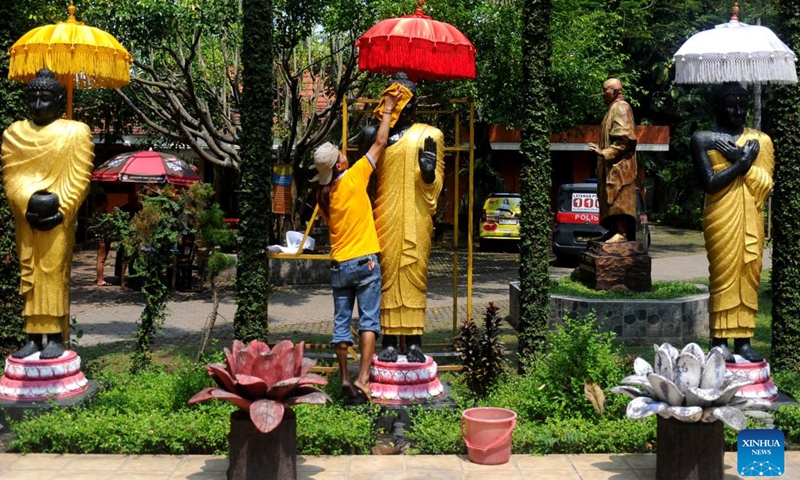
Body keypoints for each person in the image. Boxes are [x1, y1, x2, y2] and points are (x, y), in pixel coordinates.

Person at [313, 86, 401, 400]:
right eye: (341, 154)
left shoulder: (324, 196)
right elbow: (380, 142)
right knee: (368, 321)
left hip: (339, 266)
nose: (345, 154)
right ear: (338, 165)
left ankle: (345, 380)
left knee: (340, 324)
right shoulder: (353, 177)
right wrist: (388, 109)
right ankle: (364, 379)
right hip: (364, 261)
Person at [0, 68, 94, 359]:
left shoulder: (76, 132)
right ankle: (31, 334)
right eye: (32, 98)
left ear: (58, 100)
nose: (38, 106)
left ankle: (53, 336)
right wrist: (28, 201)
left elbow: (80, 177)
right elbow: (11, 176)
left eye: (45, 99)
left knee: (53, 271)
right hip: (27, 216)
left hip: (59, 219)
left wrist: (62, 208)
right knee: (30, 273)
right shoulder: (14, 133)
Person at [357, 72, 445, 363]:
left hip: (417, 216)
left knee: (414, 274)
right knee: (387, 275)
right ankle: (390, 341)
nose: (399, 106)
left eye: (404, 99)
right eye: (393, 98)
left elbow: (436, 188)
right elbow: (363, 179)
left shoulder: (429, 135)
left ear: (413, 104)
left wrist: (429, 172)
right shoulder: (373, 136)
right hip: (385, 214)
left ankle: (415, 341)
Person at [690, 82, 773, 363]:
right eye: (730, 104)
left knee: (748, 273)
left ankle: (744, 341)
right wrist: (741, 163)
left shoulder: (760, 141)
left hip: (751, 216)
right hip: (720, 217)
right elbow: (710, 184)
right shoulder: (703, 138)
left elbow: (765, 185)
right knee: (723, 275)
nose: (737, 110)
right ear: (717, 106)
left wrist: (742, 159)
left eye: (742, 104)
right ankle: (718, 339)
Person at [587, 78, 639, 243]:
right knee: (608, 197)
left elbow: (626, 138)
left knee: (619, 196)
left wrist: (606, 152)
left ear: (615, 91)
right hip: (610, 166)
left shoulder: (621, 108)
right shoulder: (611, 109)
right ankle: (612, 231)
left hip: (620, 167)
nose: (602, 94)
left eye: (605, 90)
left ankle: (621, 232)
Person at [114, 190, 143, 280]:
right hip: (126, 235)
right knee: (123, 256)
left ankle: (132, 274)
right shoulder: (123, 208)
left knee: (133, 256)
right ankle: (121, 275)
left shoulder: (139, 207)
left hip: (135, 235)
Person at [91, 193, 112, 286]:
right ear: (103, 202)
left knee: (102, 258)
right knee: (101, 259)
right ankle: (100, 279)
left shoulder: (103, 212)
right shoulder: (100, 213)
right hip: (102, 238)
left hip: (104, 238)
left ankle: (100, 277)